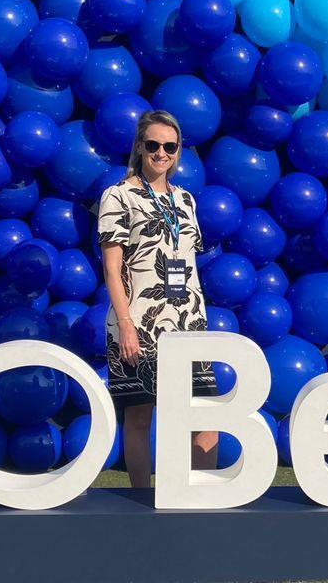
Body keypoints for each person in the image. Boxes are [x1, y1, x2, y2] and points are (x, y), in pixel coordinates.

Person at [97, 110, 217, 487]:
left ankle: (202, 500)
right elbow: (112, 270)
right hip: (139, 325)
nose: (161, 153)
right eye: (153, 145)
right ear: (139, 147)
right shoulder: (118, 196)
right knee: (139, 418)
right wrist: (127, 326)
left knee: (205, 418)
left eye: (169, 145)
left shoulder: (186, 200)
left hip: (188, 325)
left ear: (179, 151)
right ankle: (140, 504)